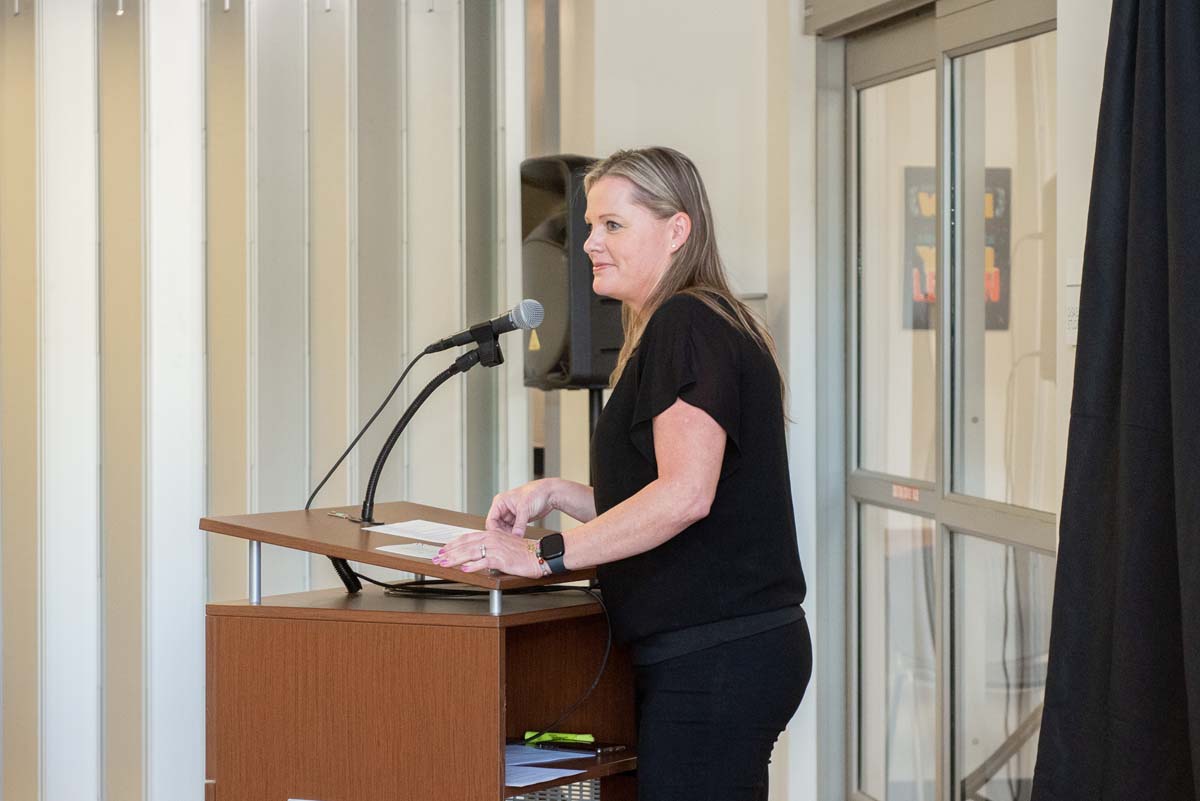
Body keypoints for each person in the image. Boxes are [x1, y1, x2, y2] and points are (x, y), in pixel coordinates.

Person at [434, 146, 810, 801]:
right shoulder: (696, 320)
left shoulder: (687, 322)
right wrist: (555, 492)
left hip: (715, 657)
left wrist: (541, 554)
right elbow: (673, 494)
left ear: (676, 230)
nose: (587, 244)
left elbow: (685, 495)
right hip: (722, 652)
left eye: (612, 225)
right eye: (587, 226)